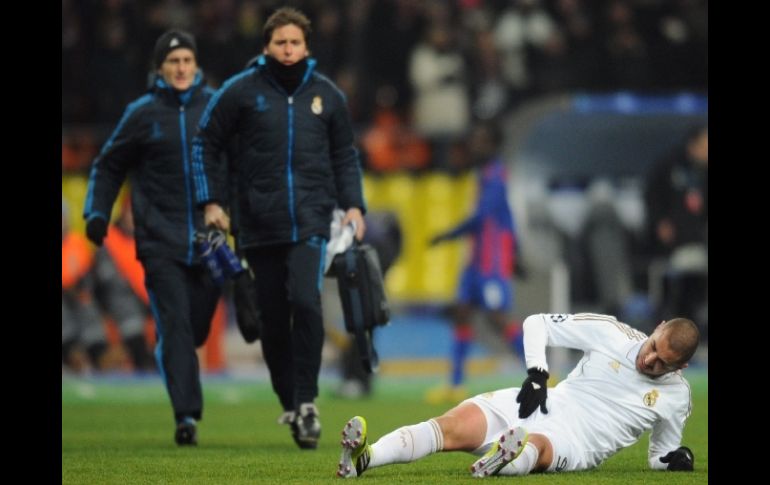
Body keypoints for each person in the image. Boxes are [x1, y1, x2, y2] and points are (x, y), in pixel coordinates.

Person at [191, 6, 367, 450]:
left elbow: (344, 155)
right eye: (280, 43)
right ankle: (288, 399)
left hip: (310, 220)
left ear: (306, 47)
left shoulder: (328, 96)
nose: (288, 50)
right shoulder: (239, 92)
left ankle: (307, 402)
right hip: (256, 223)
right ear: (266, 47)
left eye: (295, 43)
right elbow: (204, 143)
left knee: (306, 304)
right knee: (271, 318)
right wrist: (210, 200)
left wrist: (354, 206)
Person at [336, 312, 698, 478]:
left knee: (536, 445)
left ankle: (504, 461)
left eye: (661, 363)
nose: (648, 360)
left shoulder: (676, 397)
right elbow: (535, 323)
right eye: (652, 347)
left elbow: (658, 456)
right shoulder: (611, 332)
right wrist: (538, 374)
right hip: (544, 399)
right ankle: (364, 459)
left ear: (678, 369)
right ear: (657, 327)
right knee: (450, 425)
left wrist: (675, 459)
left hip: (577, 440)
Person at [83, 30, 221, 446]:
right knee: (176, 326)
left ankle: (176, 362)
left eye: (187, 61)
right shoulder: (141, 114)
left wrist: (233, 209)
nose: (181, 69)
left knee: (196, 327)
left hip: (207, 240)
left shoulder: (215, 108)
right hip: (158, 240)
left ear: (196, 66)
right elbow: (108, 166)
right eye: (173, 61)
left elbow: (239, 162)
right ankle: (186, 417)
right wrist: (97, 212)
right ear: (159, 68)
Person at [426, 122, 525, 404]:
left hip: (490, 263)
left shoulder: (496, 175)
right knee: (462, 312)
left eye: (482, 140)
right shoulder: (482, 174)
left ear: (493, 145)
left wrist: (449, 234)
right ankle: (455, 383)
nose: (475, 145)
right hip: (475, 262)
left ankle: (539, 372)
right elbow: (506, 215)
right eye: (475, 139)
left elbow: (483, 217)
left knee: (497, 319)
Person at [644, 124, 708, 338]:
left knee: (695, 291)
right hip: (671, 246)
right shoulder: (669, 166)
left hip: (699, 244)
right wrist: (660, 222)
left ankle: (693, 333)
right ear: (693, 144)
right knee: (673, 293)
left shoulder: (704, 173)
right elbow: (652, 198)